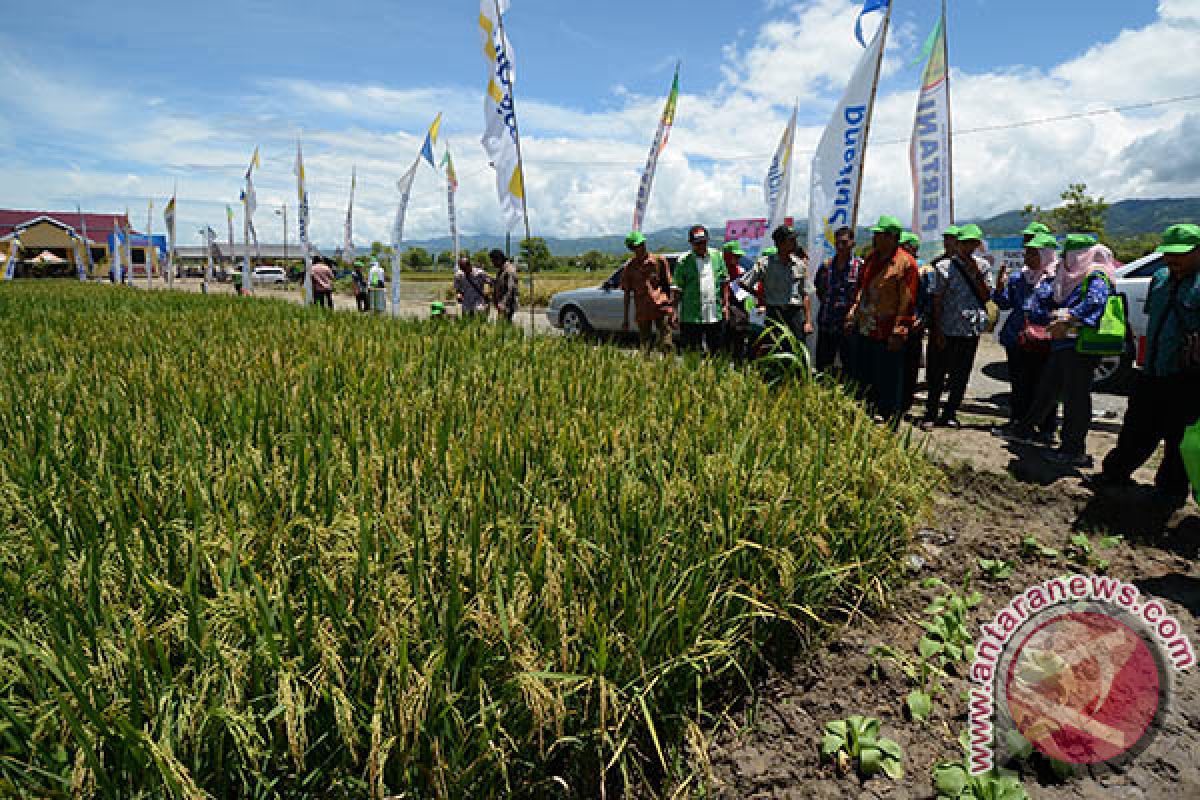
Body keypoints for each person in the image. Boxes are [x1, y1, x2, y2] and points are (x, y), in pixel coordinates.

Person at [1088, 224, 1200, 507]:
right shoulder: (1160, 279)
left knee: (1177, 438)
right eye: (1169, 254)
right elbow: (1152, 323)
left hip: (1187, 376)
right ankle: (1115, 473)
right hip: (1151, 370)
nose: (1172, 259)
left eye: (1181, 254)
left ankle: (1170, 492)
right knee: (1136, 428)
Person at [1004, 234, 1118, 467]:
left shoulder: (1096, 275)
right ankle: (1024, 430)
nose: (1064, 260)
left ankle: (1073, 450)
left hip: (1079, 347)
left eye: (1068, 255)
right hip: (1063, 345)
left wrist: (1066, 319)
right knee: (1047, 390)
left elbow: (1094, 303)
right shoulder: (1070, 278)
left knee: (1075, 400)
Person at [844, 215, 919, 420]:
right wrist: (853, 311)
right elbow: (862, 287)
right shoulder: (871, 258)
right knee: (866, 371)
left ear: (892, 237)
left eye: (879, 235)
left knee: (889, 374)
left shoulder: (906, 264)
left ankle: (889, 416)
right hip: (866, 325)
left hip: (889, 329)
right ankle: (868, 411)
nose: (875, 238)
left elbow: (908, 300)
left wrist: (900, 329)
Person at [922, 224, 993, 429]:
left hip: (969, 330)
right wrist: (936, 330)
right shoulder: (943, 267)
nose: (968, 248)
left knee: (961, 373)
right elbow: (936, 300)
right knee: (936, 373)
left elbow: (986, 295)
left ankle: (950, 413)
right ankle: (930, 413)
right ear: (958, 244)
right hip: (946, 328)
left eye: (973, 243)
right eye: (965, 243)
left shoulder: (984, 266)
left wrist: (976, 273)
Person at [992, 232, 1059, 441]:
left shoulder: (1058, 279)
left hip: (1044, 341)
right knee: (1020, 385)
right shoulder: (1018, 277)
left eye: (1032, 254)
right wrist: (999, 288)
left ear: (1046, 255)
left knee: (1045, 385)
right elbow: (1005, 304)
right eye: (1026, 253)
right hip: (1017, 339)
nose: (1027, 258)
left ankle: (1046, 428)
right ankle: (1019, 423)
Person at [736, 225, 813, 354]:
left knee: (797, 350)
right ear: (780, 243)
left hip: (795, 314)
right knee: (775, 349)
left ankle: (796, 374)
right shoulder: (765, 263)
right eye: (791, 240)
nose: (795, 243)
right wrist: (760, 296)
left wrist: (808, 321)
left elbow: (805, 294)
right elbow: (744, 283)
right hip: (774, 313)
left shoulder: (799, 265)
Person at [814, 226, 864, 373]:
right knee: (824, 364)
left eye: (844, 242)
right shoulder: (826, 266)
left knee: (851, 364)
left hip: (849, 325)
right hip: (827, 322)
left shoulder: (860, 267)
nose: (840, 246)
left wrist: (852, 311)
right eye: (837, 243)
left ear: (852, 243)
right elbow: (820, 290)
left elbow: (863, 291)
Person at [672, 225, 729, 354]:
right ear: (691, 243)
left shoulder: (717, 256)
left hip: (714, 314)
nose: (701, 246)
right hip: (691, 316)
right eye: (697, 243)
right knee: (692, 352)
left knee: (716, 351)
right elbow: (677, 289)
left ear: (708, 240)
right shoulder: (684, 261)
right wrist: (674, 311)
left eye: (704, 242)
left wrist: (725, 305)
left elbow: (724, 282)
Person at [620, 231, 674, 353]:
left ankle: (667, 368)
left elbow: (669, 285)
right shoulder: (629, 267)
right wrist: (625, 319)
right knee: (645, 345)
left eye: (642, 244)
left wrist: (672, 308)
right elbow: (627, 293)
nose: (641, 247)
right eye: (637, 246)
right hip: (643, 311)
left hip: (661, 307)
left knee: (666, 343)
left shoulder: (659, 261)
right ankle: (647, 368)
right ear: (631, 248)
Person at [898, 231, 928, 416]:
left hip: (913, 325)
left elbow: (928, 298)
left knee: (910, 367)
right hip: (896, 324)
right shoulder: (896, 265)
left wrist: (922, 318)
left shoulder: (923, 268)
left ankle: (905, 404)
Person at [721, 240, 752, 361]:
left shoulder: (741, 271)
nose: (737, 259)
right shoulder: (719, 271)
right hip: (723, 314)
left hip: (739, 314)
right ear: (726, 255)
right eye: (735, 256)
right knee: (723, 345)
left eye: (739, 256)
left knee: (739, 344)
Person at [491, 249, 520, 323]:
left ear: (499, 259)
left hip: (508, 305)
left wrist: (503, 303)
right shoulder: (501, 270)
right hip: (502, 305)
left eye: (493, 261)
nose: (492, 263)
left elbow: (510, 289)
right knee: (503, 325)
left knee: (504, 325)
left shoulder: (509, 270)